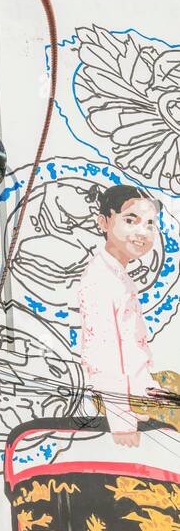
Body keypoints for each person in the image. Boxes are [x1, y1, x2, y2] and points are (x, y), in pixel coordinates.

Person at [78, 185, 180, 447]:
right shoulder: (101, 280)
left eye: (149, 224)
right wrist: (122, 422)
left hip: (137, 386)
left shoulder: (117, 273)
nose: (141, 233)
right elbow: (103, 354)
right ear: (103, 222)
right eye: (130, 220)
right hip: (123, 397)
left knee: (172, 379)